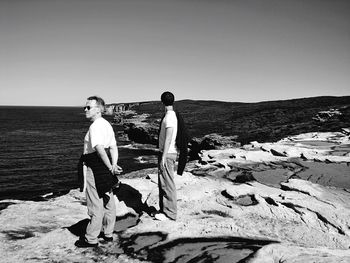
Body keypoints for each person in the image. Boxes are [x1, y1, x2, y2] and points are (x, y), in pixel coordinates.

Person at [75, 96, 121, 248]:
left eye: (88, 107)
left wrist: (109, 166)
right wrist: (113, 166)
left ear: (99, 109)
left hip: (95, 165)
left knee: (95, 203)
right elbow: (113, 147)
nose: (85, 110)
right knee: (108, 199)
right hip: (106, 164)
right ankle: (108, 233)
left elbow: (99, 148)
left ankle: (91, 238)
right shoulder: (107, 125)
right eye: (85, 107)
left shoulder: (95, 126)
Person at [155, 91, 188, 221]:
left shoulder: (169, 117)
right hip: (169, 153)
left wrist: (163, 156)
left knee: (167, 184)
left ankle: (170, 213)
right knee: (163, 182)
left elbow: (169, 137)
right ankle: (164, 210)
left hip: (168, 154)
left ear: (162, 102)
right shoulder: (172, 115)